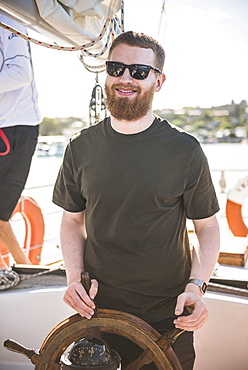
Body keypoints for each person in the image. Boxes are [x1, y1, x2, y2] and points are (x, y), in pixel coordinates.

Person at [53, 31, 220, 369]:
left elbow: (207, 227)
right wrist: (74, 278)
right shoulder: (80, 147)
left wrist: (196, 287)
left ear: (158, 81)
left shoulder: (185, 150)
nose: (125, 78)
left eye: (139, 72)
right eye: (116, 68)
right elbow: (72, 220)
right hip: (98, 316)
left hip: (169, 317)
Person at [0, 15, 41, 269]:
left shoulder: (8, 19)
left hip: (15, 126)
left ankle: (25, 269)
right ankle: (18, 269)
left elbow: (21, 74)